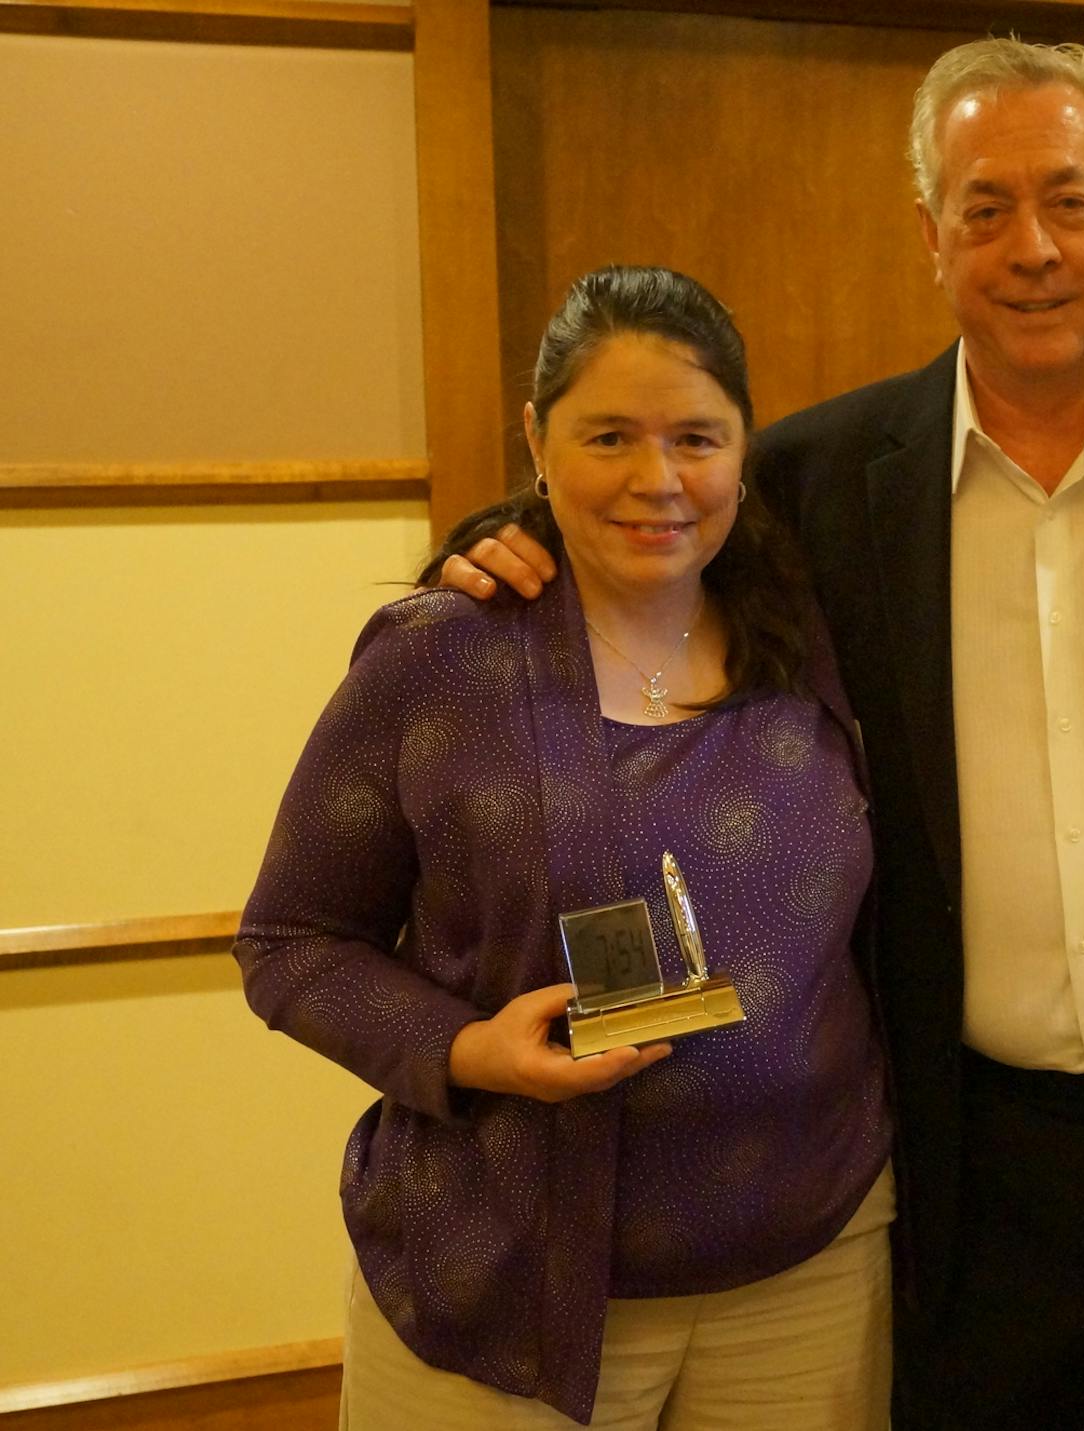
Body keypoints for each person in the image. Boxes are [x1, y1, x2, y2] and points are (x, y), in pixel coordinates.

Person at [438, 38, 1084, 1431]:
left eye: (1069, 199)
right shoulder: (818, 478)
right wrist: (500, 538)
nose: (1032, 246)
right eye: (985, 209)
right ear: (931, 236)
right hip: (958, 1144)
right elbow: (643, 521)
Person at [237, 266, 893, 1429]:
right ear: (537, 439)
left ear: (747, 448)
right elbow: (292, 940)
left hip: (809, 1270)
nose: (658, 481)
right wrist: (468, 1050)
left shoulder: (814, 628)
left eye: (697, 437)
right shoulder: (440, 658)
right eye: (609, 437)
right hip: (503, 1280)